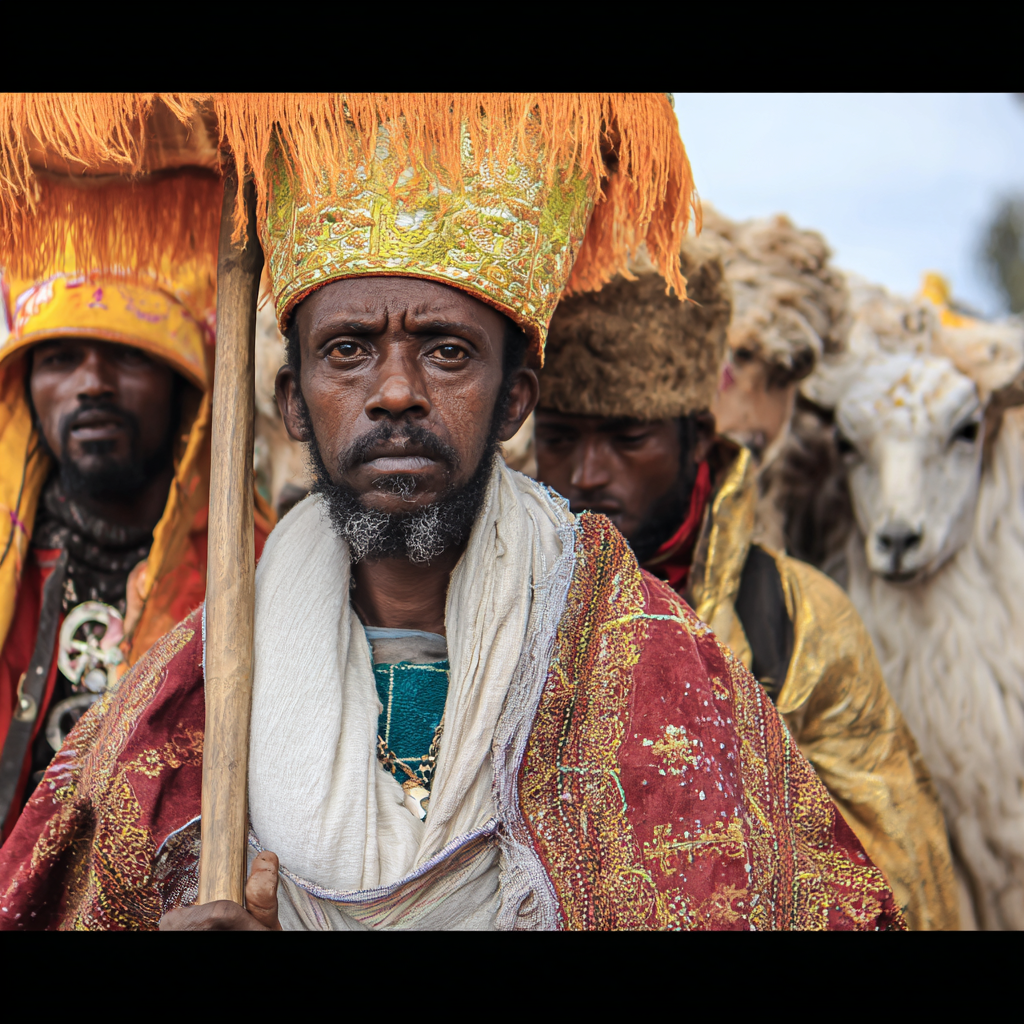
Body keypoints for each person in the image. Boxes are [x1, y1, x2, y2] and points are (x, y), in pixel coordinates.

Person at [0, 94, 902, 930]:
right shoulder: (202, 682)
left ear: (515, 401)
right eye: (349, 351)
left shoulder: (640, 657)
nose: (395, 392)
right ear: (292, 402)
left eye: (445, 352)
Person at [533, 240, 959, 930]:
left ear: (698, 435)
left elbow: (902, 873)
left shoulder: (797, 619)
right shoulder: (490, 605)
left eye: (627, 438)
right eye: (558, 438)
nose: (586, 473)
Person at [0, 253, 273, 839]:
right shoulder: (8, 564)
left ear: (183, 392)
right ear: (26, 388)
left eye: (129, 356)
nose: (93, 383)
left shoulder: (259, 568)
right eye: (60, 358)